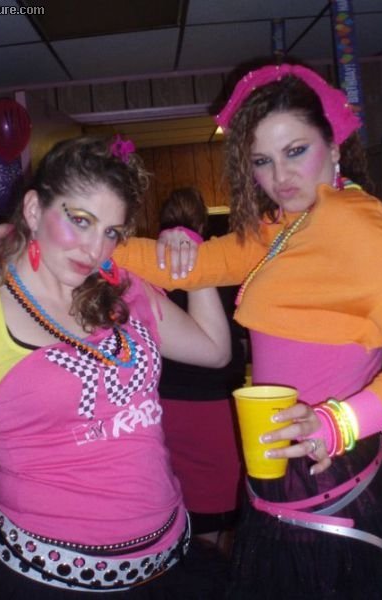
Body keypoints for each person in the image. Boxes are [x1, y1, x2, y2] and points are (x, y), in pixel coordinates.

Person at [0, 62, 382, 598]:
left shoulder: (359, 228)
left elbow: (210, 336)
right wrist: (40, 236)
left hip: (330, 473)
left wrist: (341, 422)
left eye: (296, 151)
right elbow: (198, 266)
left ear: (333, 148)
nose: (280, 177)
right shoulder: (286, 228)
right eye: (262, 161)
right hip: (282, 477)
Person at [0, 136, 232, 599]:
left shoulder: (122, 288)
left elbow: (213, 350)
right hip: (46, 578)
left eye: (111, 232)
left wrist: (194, 262)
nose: (95, 248)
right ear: (33, 210)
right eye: (80, 220)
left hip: (168, 563)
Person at [157, 187, 244, 551]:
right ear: (203, 222)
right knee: (227, 513)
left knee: (192, 519)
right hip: (217, 405)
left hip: (168, 404)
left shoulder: (150, 266)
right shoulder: (221, 265)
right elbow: (232, 344)